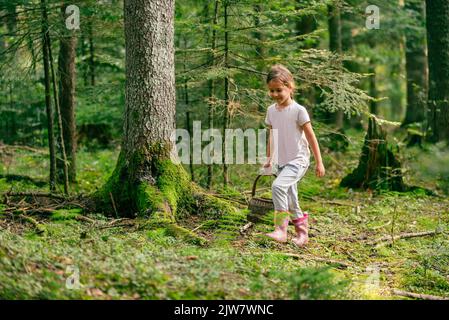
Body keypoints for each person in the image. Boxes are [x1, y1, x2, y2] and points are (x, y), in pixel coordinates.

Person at [262, 64, 325, 247]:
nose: (275, 94)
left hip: (298, 160)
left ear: (290, 87)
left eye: (279, 90)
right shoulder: (271, 111)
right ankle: (302, 234)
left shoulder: (299, 110)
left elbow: (311, 137)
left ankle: (281, 229)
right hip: (282, 161)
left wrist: (319, 162)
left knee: (278, 186)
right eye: (271, 91)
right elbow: (272, 136)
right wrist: (269, 159)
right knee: (291, 197)